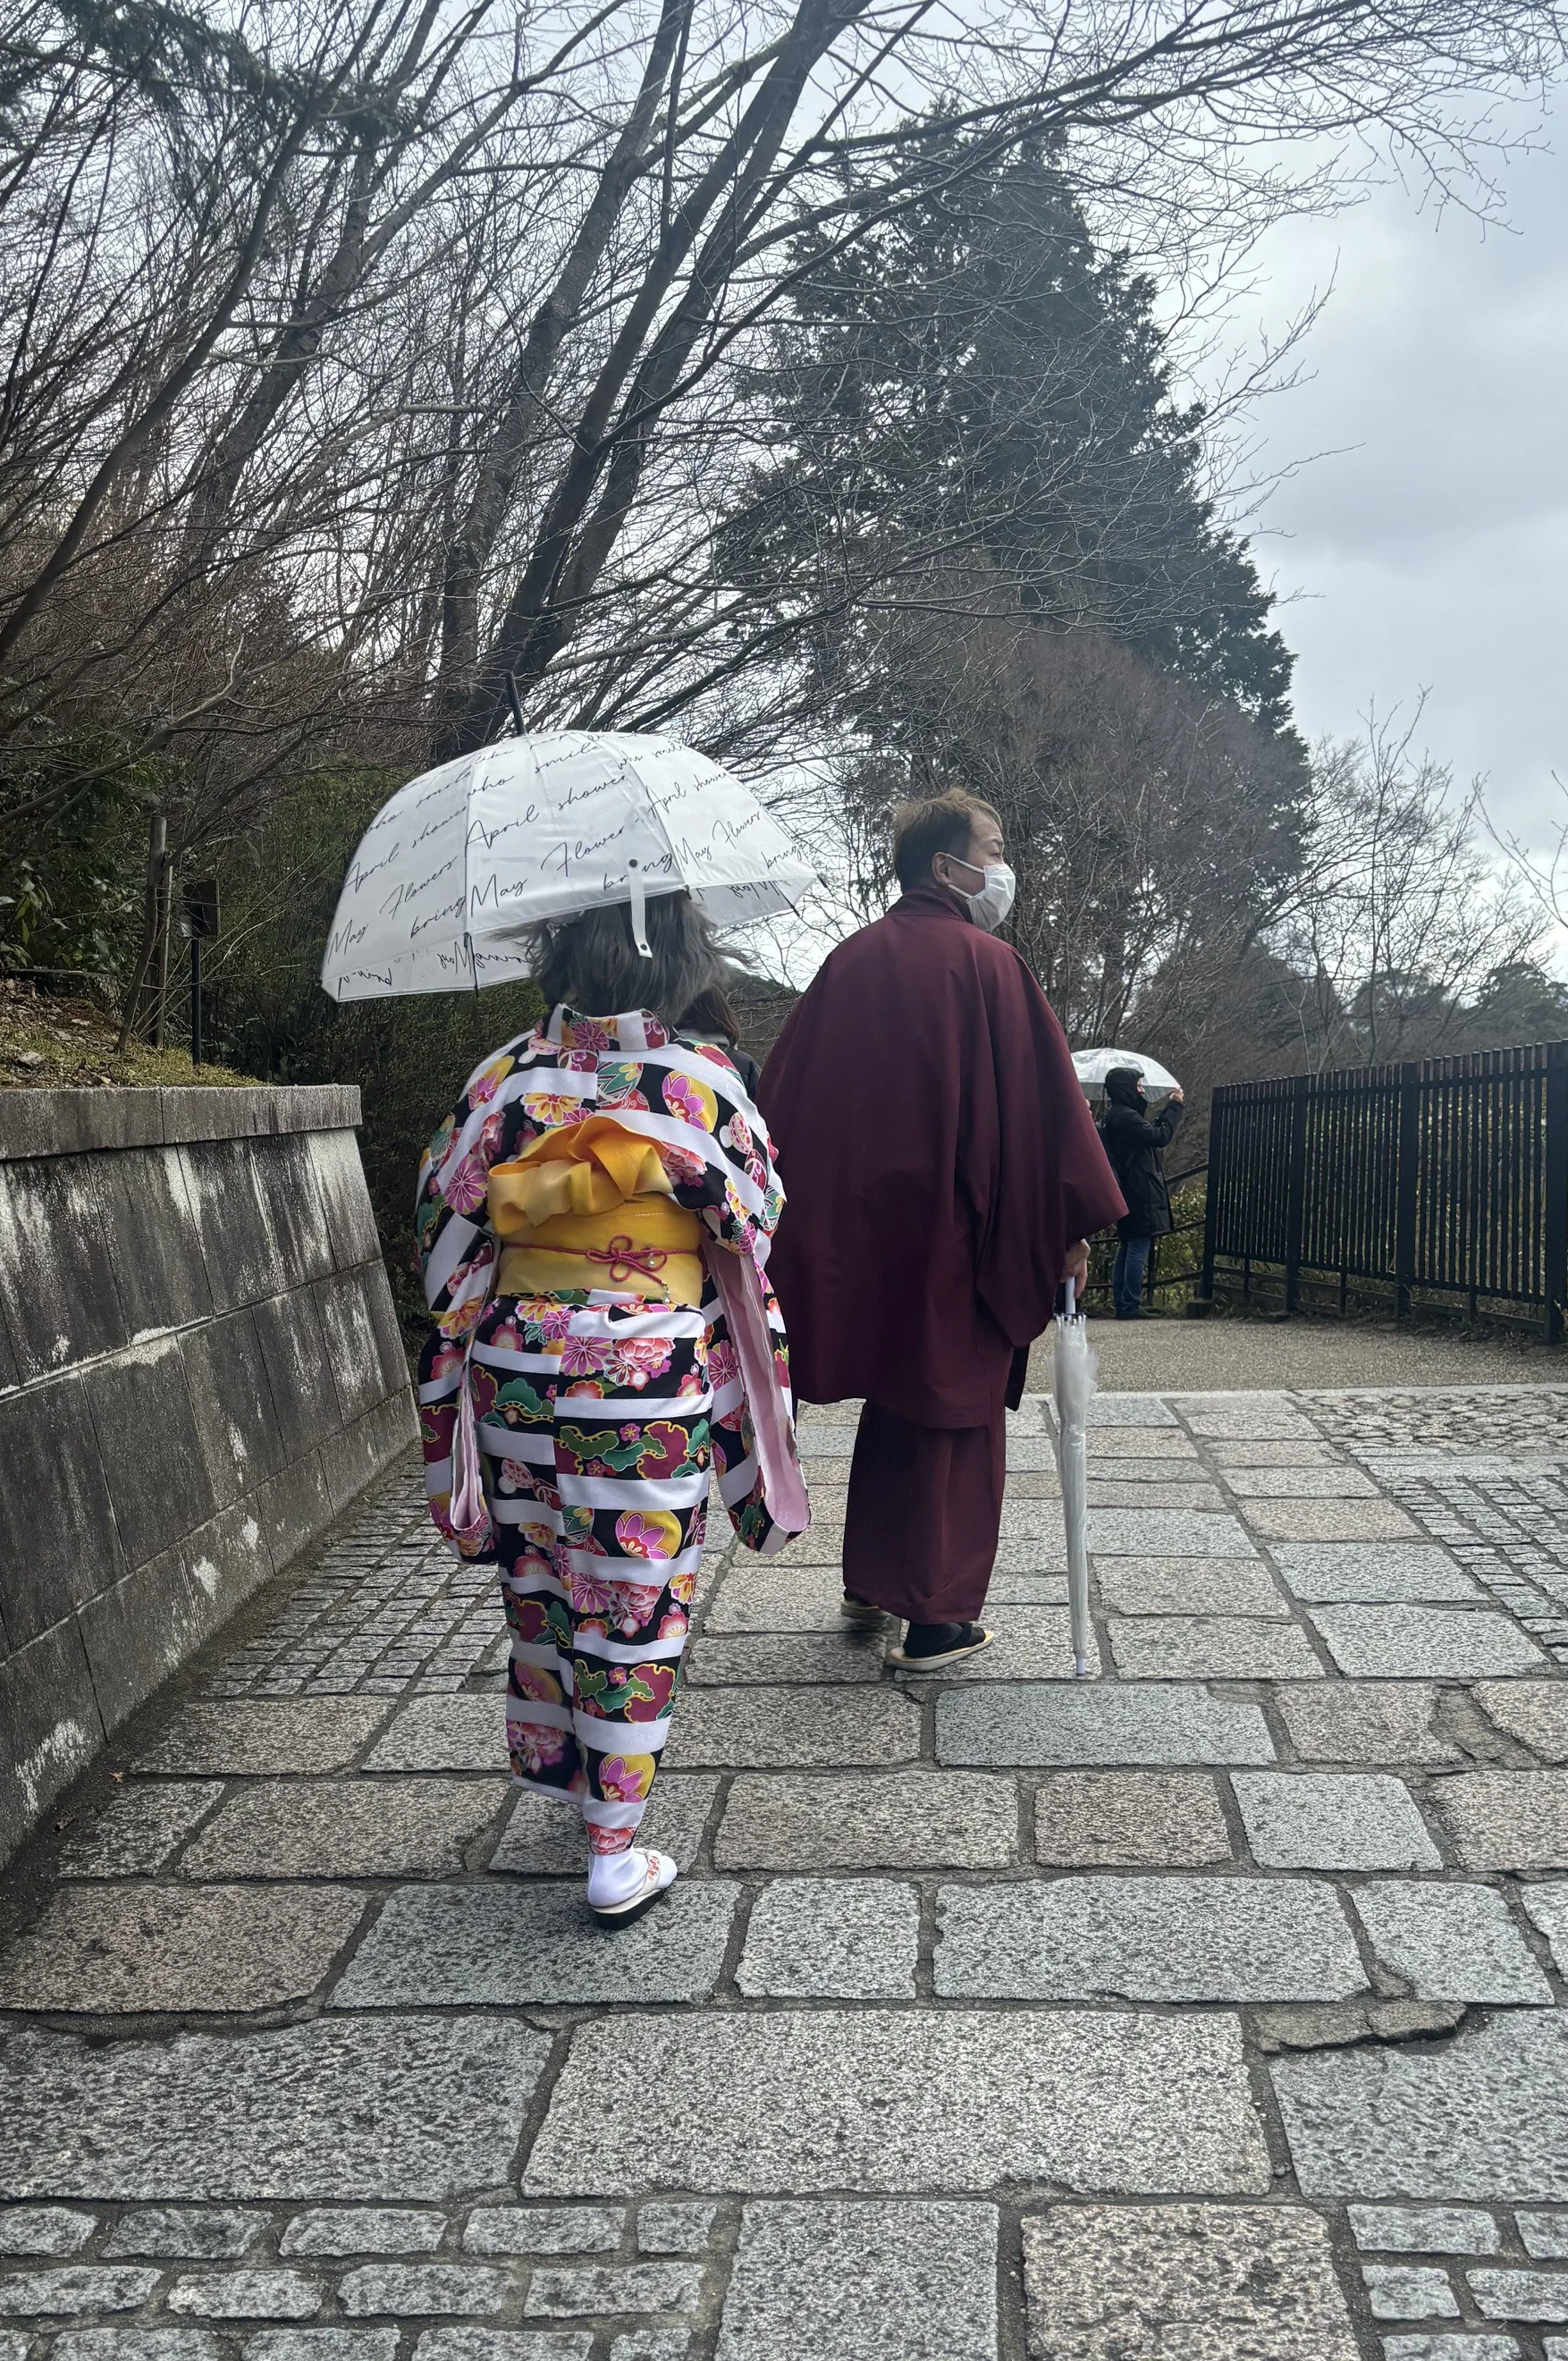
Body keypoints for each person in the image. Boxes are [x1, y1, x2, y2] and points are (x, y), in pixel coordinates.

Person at [413, 894, 805, 1923]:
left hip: (514, 1358)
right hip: (641, 1368)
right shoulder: (703, 1080)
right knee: (633, 1597)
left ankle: (563, 1773)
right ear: (679, 957)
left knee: (538, 1569)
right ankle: (614, 1850)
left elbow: (442, 1230)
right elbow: (756, 1220)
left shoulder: (501, 1079)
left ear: (558, 952)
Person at [759, 788, 1122, 1674]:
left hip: (867, 1240)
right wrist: (1069, 1226)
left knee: (897, 1401)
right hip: (959, 1238)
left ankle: (874, 1581)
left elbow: (783, 1104)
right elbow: (1045, 1117)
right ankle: (936, 1616)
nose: (1001, 867)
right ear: (946, 866)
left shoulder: (848, 964)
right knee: (952, 1418)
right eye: (992, 849)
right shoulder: (987, 965)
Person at [1098, 1064, 1182, 1319]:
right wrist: (1175, 1107)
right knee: (1138, 1243)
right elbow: (1160, 1136)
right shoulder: (1125, 1117)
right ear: (1127, 1089)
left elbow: (1148, 1135)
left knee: (1128, 1243)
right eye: (1137, 1085)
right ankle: (1130, 1304)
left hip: (1127, 1186)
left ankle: (1122, 1302)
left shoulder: (1117, 1116)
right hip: (1138, 1188)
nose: (1142, 1090)